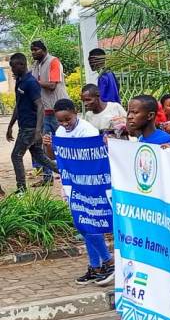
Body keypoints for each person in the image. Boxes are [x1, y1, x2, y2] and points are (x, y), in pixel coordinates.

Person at [90, 94, 170, 320]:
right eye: (129, 112)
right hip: (143, 229)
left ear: (150, 116)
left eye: (135, 113)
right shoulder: (140, 142)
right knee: (141, 280)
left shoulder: (166, 143)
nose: (129, 116)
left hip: (162, 229)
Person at [43, 99, 115, 285]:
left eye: (68, 119)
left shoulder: (87, 130)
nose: (65, 124)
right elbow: (54, 156)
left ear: (75, 113)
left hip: (90, 184)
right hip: (73, 184)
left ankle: (107, 261)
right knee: (82, 224)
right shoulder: (60, 131)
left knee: (88, 223)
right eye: (61, 121)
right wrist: (49, 145)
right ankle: (95, 266)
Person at [6, 53, 59, 192]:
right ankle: (66, 172)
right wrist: (10, 125)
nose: (12, 69)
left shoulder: (31, 82)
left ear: (22, 65)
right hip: (25, 126)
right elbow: (18, 105)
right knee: (39, 156)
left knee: (16, 156)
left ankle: (22, 189)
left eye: (13, 66)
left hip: (30, 128)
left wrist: (38, 131)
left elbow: (40, 106)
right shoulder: (20, 81)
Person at [30, 40, 70, 185]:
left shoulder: (53, 61)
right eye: (32, 50)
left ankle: (70, 172)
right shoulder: (35, 65)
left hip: (59, 110)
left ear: (44, 49)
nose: (33, 53)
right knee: (44, 143)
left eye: (36, 50)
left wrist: (34, 82)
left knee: (65, 141)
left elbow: (52, 85)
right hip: (45, 110)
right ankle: (48, 178)